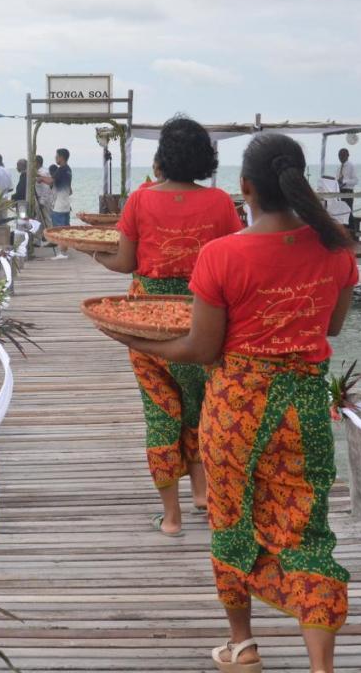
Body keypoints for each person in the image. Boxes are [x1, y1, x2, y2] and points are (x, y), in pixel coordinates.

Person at [100, 132, 358, 673]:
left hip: (238, 405)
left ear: (245, 188)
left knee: (232, 518)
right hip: (305, 407)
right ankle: (321, 668)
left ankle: (242, 645)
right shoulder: (336, 245)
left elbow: (200, 348)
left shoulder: (222, 255)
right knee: (306, 528)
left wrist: (135, 339)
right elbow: (332, 324)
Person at [91, 117, 242, 537]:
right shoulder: (221, 203)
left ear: (162, 158)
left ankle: (172, 517)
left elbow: (124, 262)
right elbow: (235, 261)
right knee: (199, 406)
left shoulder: (141, 200)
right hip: (201, 318)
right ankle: (202, 493)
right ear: (204, 157)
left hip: (148, 320)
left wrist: (95, 256)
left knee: (160, 413)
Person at [337, 148, 357, 230]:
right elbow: (337, 179)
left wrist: (344, 181)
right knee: (341, 213)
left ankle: (353, 232)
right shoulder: (339, 167)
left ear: (347, 156)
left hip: (348, 191)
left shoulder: (351, 166)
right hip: (339, 192)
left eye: (342, 155)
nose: (341, 158)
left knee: (348, 212)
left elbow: (355, 180)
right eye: (339, 156)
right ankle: (344, 231)